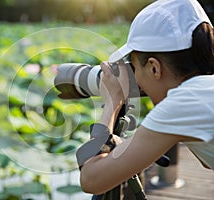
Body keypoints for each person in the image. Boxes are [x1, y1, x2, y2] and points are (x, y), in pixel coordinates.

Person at [79, 0, 214, 195]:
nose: (136, 79)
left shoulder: (186, 101)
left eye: (134, 67)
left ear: (154, 67)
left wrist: (112, 102)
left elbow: (91, 179)